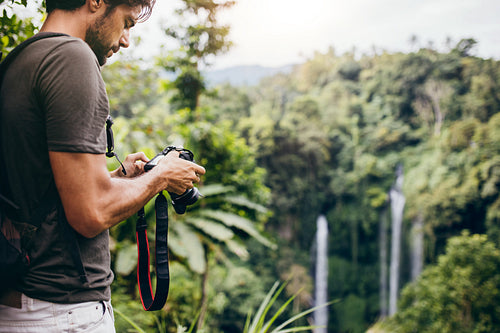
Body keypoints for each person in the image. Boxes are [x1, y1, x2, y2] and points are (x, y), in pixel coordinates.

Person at [0, 0, 206, 331]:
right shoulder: (72, 58)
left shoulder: (20, 60)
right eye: (127, 23)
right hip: (61, 311)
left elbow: (41, 190)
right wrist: (162, 176)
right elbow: (90, 214)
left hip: (22, 303)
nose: (125, 40)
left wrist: (118, 179)